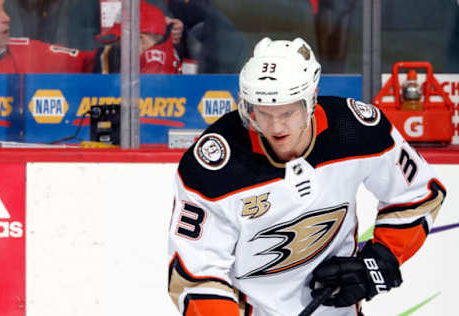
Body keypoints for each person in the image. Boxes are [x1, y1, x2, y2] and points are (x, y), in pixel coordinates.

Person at [167, 37, 446, 315]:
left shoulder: (355, 131)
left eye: (288, 112)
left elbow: (417, 195)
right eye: (263, 113)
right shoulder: (212, 167)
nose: (276, 127)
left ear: (312, 98)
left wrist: (379, 259)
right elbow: (195, 277)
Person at [0, 0, 95, 73]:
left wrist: (109, 54)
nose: (6, 18)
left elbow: (88, 62)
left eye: (3, 9)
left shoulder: (26, 52)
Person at [95, 0, 181, 74]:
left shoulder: (153, 65)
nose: (118, 46)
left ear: (140, 40)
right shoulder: (168, 57)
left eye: (121, 40)